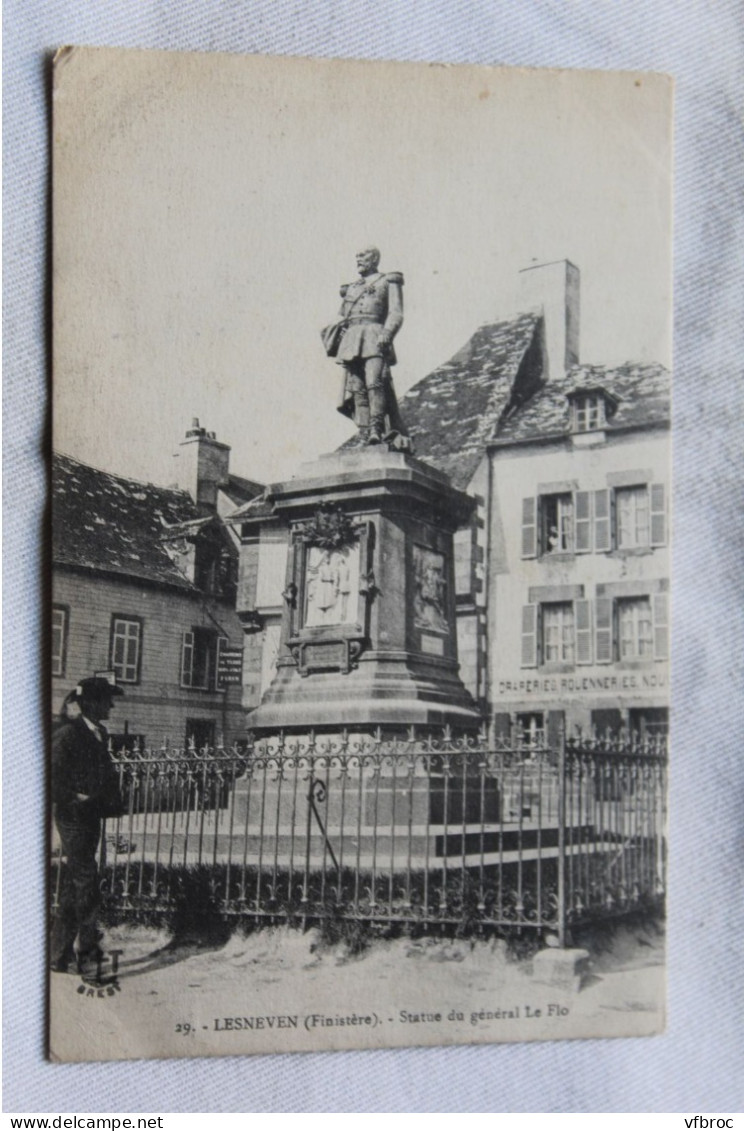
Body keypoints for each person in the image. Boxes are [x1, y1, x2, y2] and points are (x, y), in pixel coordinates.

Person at [50, 676, 125, 975]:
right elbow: (51, 776)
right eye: (107, 699)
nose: (111, 705)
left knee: (74, 884)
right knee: (87, 881)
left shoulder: (97, 732)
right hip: (72, 817)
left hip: (89, 815)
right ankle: (88, 952)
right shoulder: (69, 733)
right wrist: (74, 797)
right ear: (91, 703)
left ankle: (58, 954)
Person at [331, 247, 409, 445]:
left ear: (374, 259)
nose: (358, 259)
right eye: (357, 256)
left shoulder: (388, 281)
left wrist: (387, 332)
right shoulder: (351, 288)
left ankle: (377, 428)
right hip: (352, 339)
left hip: (374, 335)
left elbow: (396, 312)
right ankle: (364, 432)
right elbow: (343, 316)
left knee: (375, 382)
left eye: (363, 256)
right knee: (357, 388)